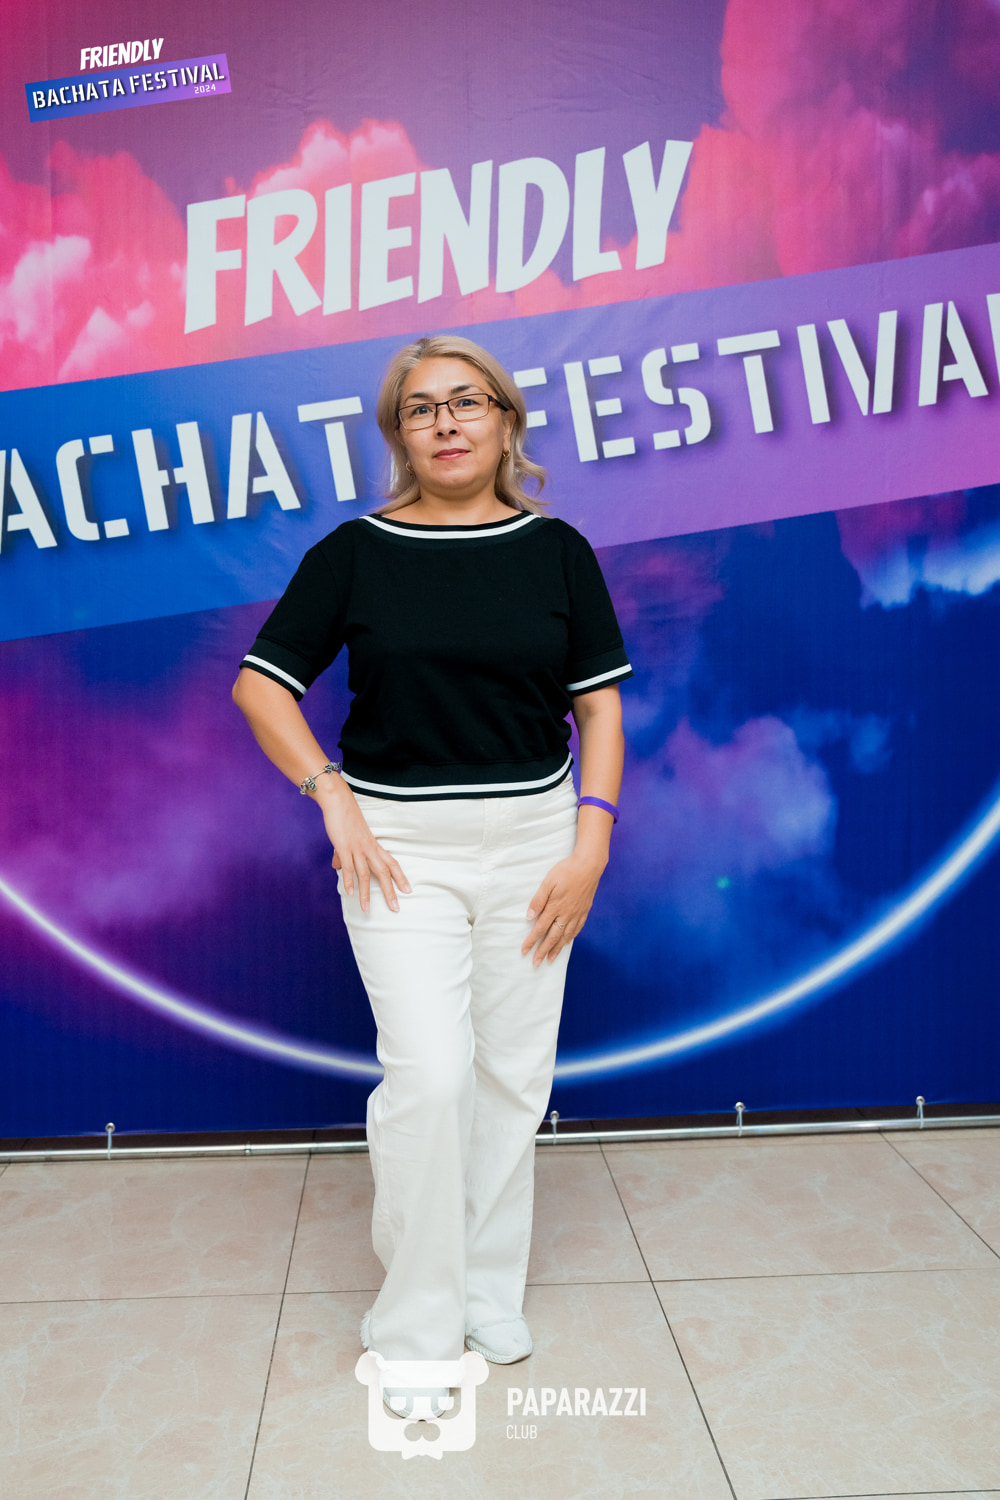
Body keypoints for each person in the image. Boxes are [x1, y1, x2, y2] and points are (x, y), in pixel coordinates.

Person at [232, 334, 630, 1416]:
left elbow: (597, 709)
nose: (446, 422)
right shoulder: (355, 553)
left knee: (511, 1078)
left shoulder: (558, 551)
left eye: (466, 402)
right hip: (400, 853)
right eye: (421, 409)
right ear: (399, 434)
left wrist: (590, 844)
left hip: (537, 844)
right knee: (433, 1079)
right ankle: (412, 1327)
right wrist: (333, 796)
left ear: (504, 419)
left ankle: (487, 1291)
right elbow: (262, 687)